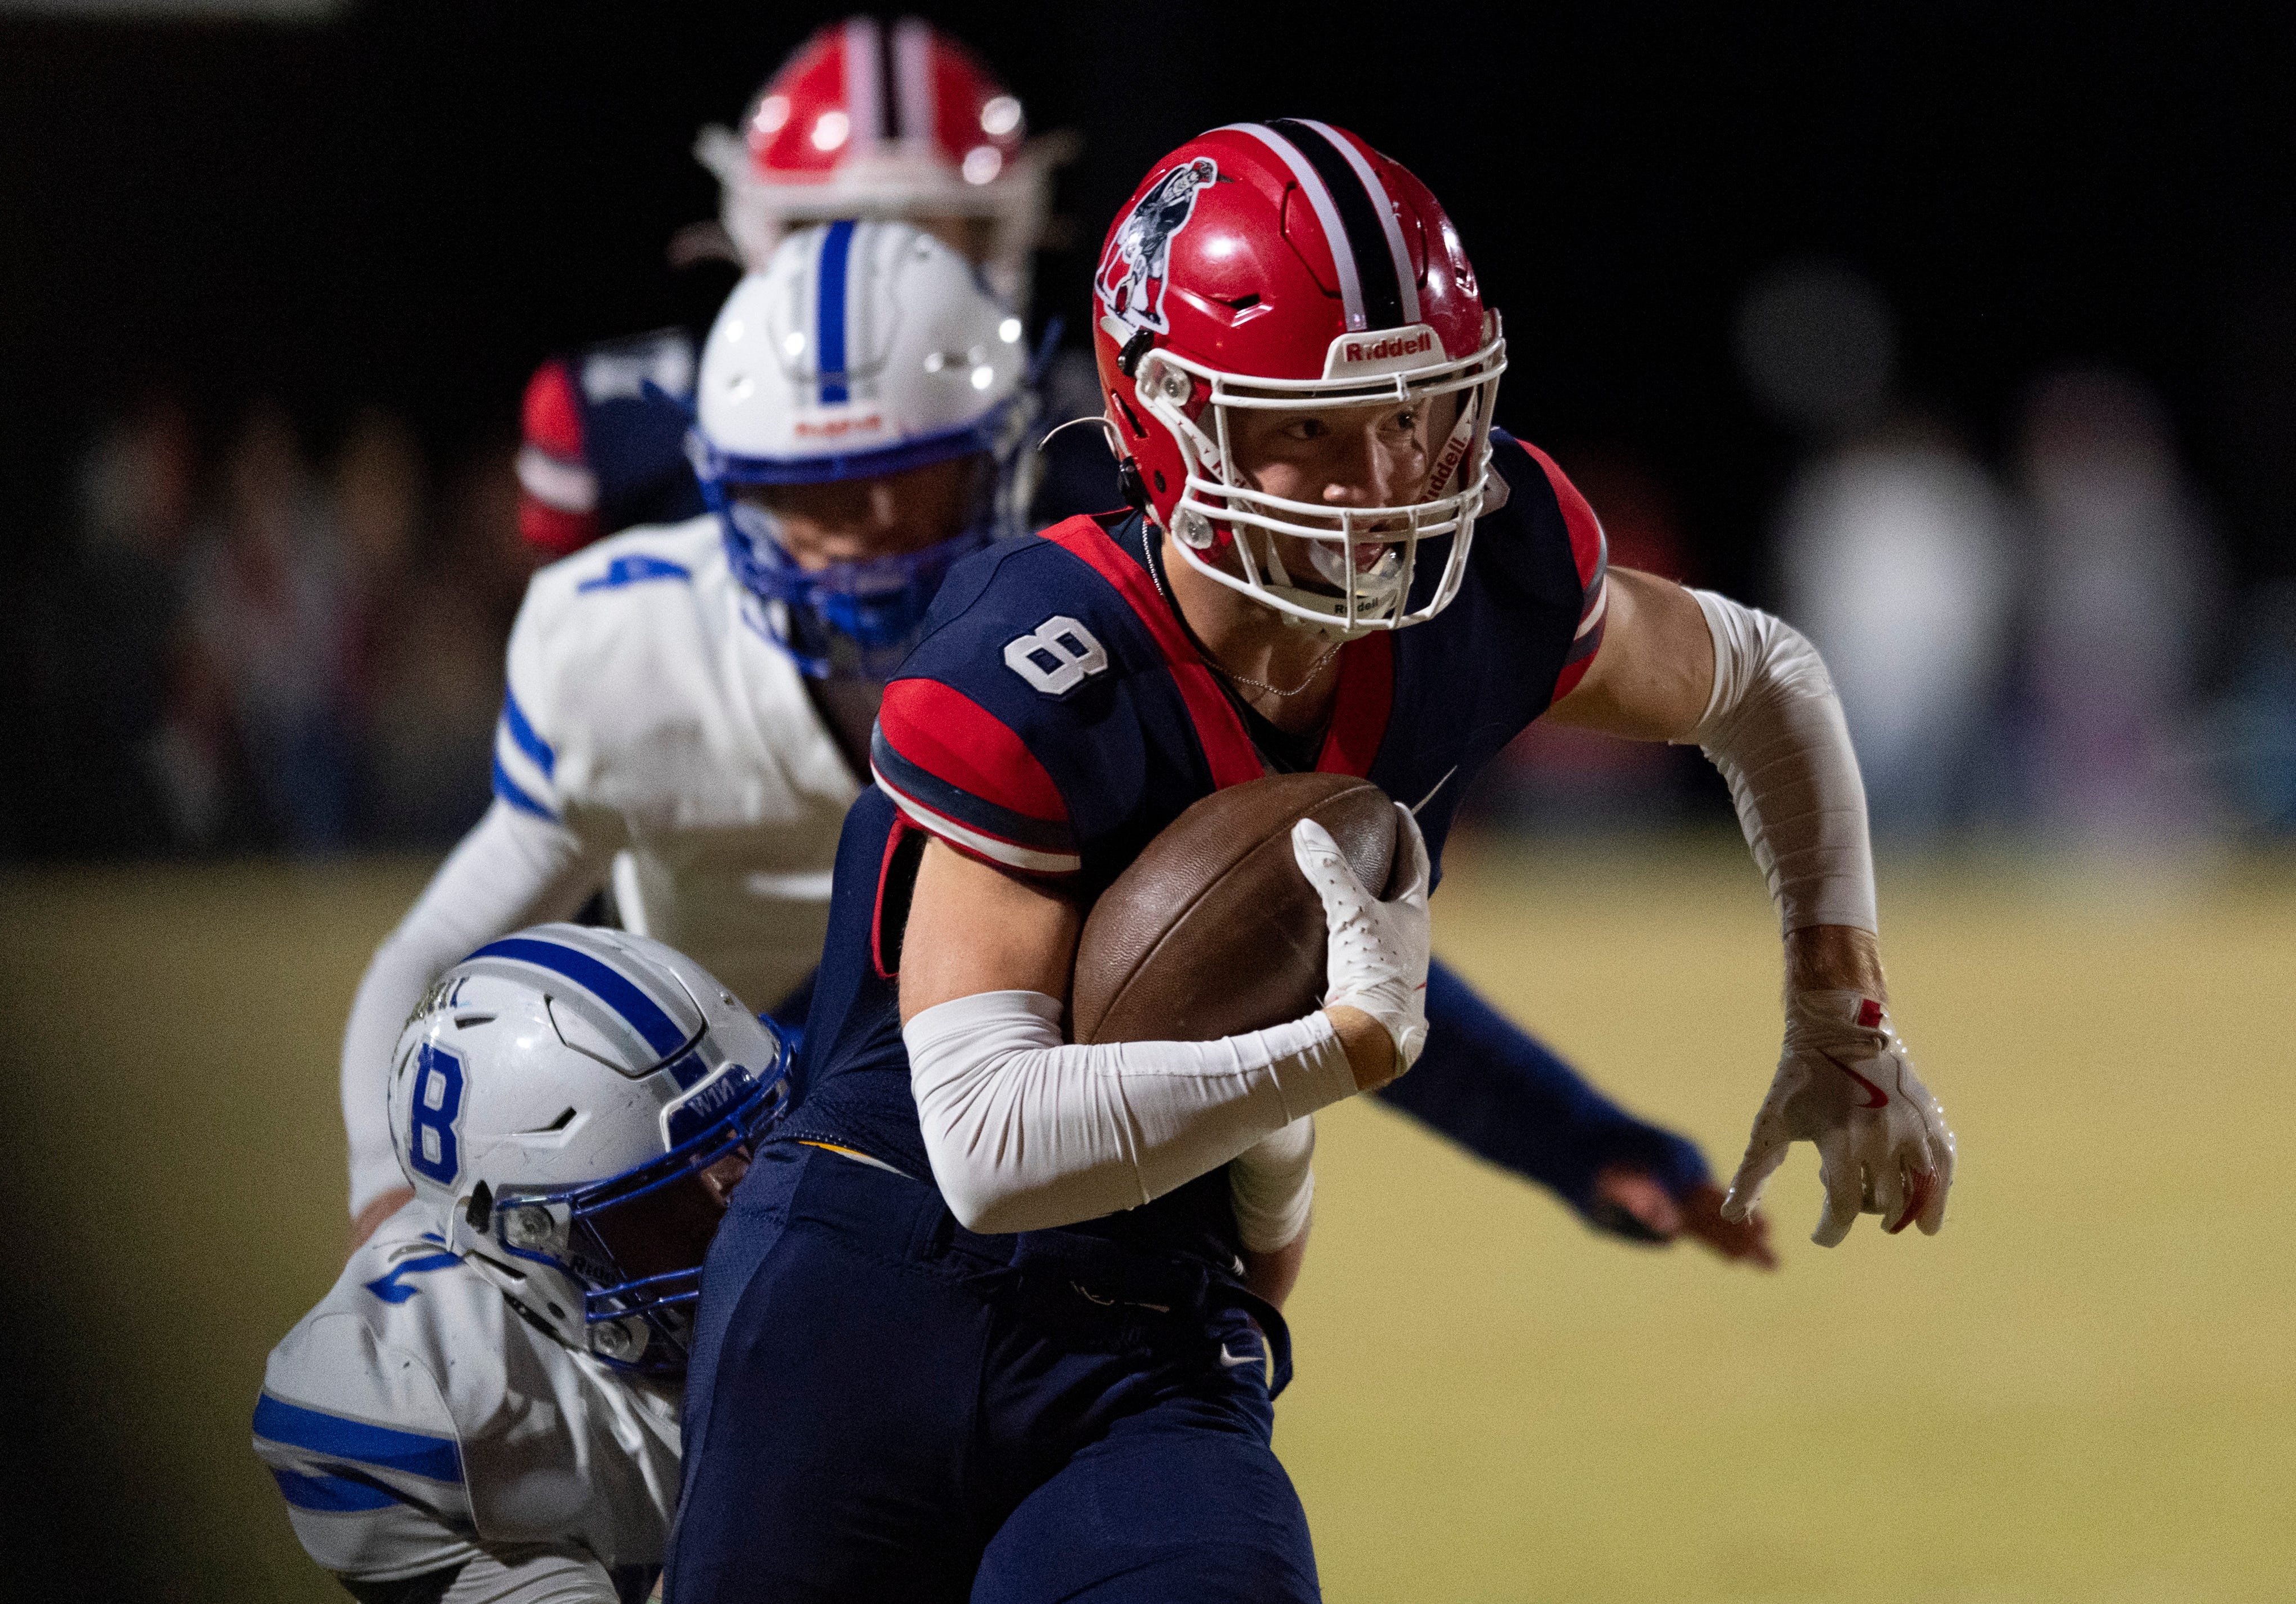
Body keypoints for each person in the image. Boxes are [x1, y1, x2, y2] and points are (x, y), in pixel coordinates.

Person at [664, 122, 1956, 1603]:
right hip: (868, 1295)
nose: (1389, 476)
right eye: (1313, 430)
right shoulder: (1039, 662)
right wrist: (1333, 1053)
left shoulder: (1489, 575)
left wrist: (1836, 1007)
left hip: (1148, 1328)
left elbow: (1763, 679)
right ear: (1168, 418)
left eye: (1417, 411)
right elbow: (987, 1141)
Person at [340, 222, 1760, 1284]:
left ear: (1016, 450)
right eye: (813, 498)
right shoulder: (629, 651)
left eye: (918, 482)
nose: (867, 541)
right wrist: (384, 1202)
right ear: (724, 494)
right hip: (692, 1147)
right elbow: (453, 947)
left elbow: (1289, 938)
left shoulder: (1099, 629)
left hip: (1022, 1161)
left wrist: (1572, 1137)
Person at [256, 925, 789, 1604]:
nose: (740, 1214)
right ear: (529, 1237)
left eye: (755, 1142)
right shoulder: (418, 1400)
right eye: (667, 1194)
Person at [517, 16, 1075, 561]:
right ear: (755, 226)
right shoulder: (613, 417)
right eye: (835, 228)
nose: (873, 272)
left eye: (924, 232)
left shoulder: (1096, 422)